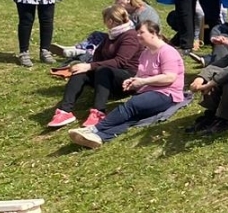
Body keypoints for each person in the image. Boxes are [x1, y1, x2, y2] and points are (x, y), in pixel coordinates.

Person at [69, 20, 187, 148]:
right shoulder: (145, 53)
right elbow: (141, 75)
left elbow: (169, 77)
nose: (138, 35)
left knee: (132, 105)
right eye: (137, 33)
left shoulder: (167, 51)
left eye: (141, 32)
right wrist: (133, 80)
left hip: (167, 93)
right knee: (132, 117)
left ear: (153, 33)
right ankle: (99, 137)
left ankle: (94, 129)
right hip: (148, 91)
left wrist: (144, 81)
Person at [46, 5, 144, 129]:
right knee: (79, 71)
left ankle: (99, 112)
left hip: (126, 79)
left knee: (101, 70)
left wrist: (91, 66)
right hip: (104, 74)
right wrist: (86, 67)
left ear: (110, 21)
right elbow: (98, 54)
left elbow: (120, 62)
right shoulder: (112, 34)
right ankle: (65, 111)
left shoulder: (130, 36)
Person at [55, 0, 159, 61]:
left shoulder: (145, 13)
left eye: (118, 1)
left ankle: (84, 52)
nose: (115, 3)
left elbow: (149, 36)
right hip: (125, 38)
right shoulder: (127, 11)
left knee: (108, 44)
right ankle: (76, 48)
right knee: (98, 35)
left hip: (139, 44)